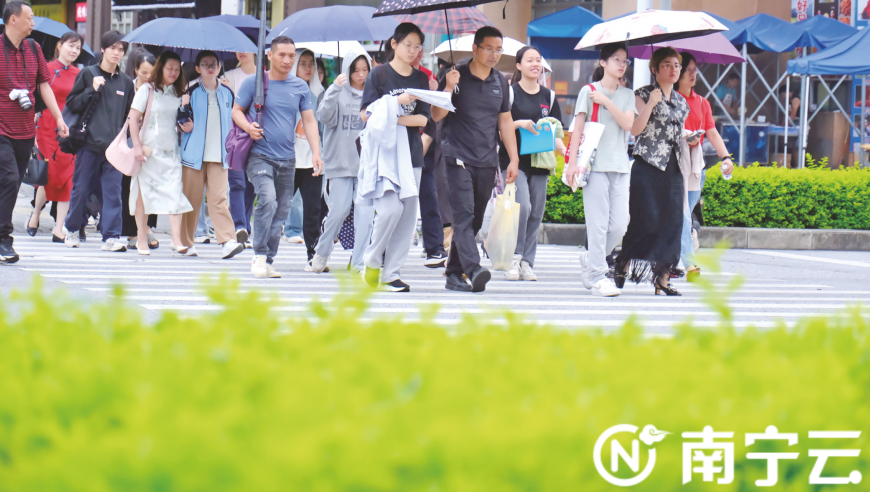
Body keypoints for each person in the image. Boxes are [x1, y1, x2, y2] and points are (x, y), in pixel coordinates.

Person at [432, 26, 520, 293]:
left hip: (487, 159)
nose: (494, 55)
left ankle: (454, 273)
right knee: (464, 214)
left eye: (498, 50)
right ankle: (473, 268)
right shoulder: (454, 75)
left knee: (475, 220)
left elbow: (504, 121)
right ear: (475, 48)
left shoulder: (500, 81)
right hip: (456, 155)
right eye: (489, 49)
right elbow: (436, 115)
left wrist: (512, 159)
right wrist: (448, 87)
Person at [232, 36, 322, 278]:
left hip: (288, 158)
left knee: (282, 210)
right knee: (268, 199)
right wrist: (249, 127)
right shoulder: (254, 83)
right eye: (282, 55)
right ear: (269, 55)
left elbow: (310, 121)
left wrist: (316, 152)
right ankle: (259, 255)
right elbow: (236, 111)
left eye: (291, 56)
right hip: (259, 155)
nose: (287, 60)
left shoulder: (300, 87)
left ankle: (268, 258)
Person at [359, 22, 431, 292]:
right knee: (390, 210)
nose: (413, 51)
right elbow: (365, 114)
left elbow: (423, 118)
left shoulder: (422, 78)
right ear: (394, 44)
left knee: (408, 216)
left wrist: (394, 117)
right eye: (407, 45)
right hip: (384, 155)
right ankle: (372, 258)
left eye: (417, 46)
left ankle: (392, 274)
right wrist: (397, 104)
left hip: (411, 155)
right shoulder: (379, 75)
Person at [615, 47, 690, 296]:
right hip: (647, 165)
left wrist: (690, 138)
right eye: (667, 65)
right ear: (654, 69)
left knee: (673, 223)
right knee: (645, 220)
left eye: (677, 65)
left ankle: (663, 279)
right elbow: (635, 130)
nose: (673, 70)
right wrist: (651, 104)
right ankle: (624, 260)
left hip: (673, 166)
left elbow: (675, 133)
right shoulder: (641, 95)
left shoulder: (681, 101)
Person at [0, 1, 69, 263]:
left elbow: (44, 85)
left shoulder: (34, 47)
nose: (33, 22)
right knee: (8, 178)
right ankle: (5, 239)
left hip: (26, 131)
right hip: (1, 129)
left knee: (12, 183)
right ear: (13, 20)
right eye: (29, 18)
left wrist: (59, 117)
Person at [565, 45, 637, 296]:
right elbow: (578, 128)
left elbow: (628, 124)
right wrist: (572, 162)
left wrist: (607, 101)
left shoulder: (628, 94)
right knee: (597, 224)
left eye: (625, 61)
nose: (621, 65)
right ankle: (597, 275)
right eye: (616, 60)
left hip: (619, 165)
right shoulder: (588, 90)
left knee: (620, 225)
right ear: (603, 63)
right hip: (593, 166)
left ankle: (591, 259)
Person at [62, 30, 134, 252]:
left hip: (114, 149)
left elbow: (128, 117)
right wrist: (91, 91)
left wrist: (125, 141)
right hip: (88, 144)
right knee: (81, 189)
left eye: (121, 49)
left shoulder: (126, 82)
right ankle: (72, 229)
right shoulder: (88, 74)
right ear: (103, 49)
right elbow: (72, 104)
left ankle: (111, 236)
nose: (116, 52)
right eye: (112, 48)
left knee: (113, 193)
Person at [500, 45, 567, 282]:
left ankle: (528, 262)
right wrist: (519, 123)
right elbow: (499, 127)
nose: (535, 64)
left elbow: (557, 131)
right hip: (513, 160)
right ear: (518, 65)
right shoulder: (509, 93)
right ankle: (515, 257)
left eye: (538, 60)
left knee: (537, 211)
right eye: (529, 60)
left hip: (541, 159)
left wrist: (567, 154)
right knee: (523, 207)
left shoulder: (548, 96)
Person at [309, 51, 374, 273]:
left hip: (366, 167)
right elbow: (324, 118)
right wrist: (335, 89)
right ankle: (321, 253)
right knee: (338, 211)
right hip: (339, 164)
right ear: (347, 70)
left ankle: (357, 263)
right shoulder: (336, 91)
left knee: (365, 217)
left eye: (365, 70)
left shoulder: (373, 94)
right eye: (356, 70)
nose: (361, 74)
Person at [178, 50, 245, 260]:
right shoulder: (190, 91)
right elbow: (179, 120)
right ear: (197, 68)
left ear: (219, 67)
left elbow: (235, 120)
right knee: (191, 200)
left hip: (219, 155)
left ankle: (227, 241)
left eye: (213, 64)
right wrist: (183, 115)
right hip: (193, 156)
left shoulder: (228, 92)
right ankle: (186, 242)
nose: (210, 67)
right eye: (205, 64)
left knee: (219, 199)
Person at [127, 51, 193, 255]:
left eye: (177, 69)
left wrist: (186, 116)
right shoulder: (147, 90)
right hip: (148, 150)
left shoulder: (179, 93)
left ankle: (176, 240)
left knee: (175, 192)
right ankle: (141, 238)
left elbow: (185, 126)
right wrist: (137, 146)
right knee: (143, 196)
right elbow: (133, 119)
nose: (173, 72)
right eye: (169, 68)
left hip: (171, 150)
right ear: (161, 68)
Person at [675, 52, 733, 280]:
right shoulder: (670, 99)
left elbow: (712, 132)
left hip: (697, 164)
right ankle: (689, 263)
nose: (693, 74)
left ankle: (686, 241)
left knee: (685, 212)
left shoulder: (702, 102)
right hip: (675, 164)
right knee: (682, 213)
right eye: (688, 70)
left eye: (694, 69)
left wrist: (726, 157)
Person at [26, 32, 82, 243]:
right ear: (60, 45)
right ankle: (36, 213)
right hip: (47, 128)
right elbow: (34, 100)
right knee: (48, 177)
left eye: (77, 48)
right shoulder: (46, 70)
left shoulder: (80, 74)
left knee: (68, 178)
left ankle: (59, 229)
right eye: (71, 46)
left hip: (68, 131)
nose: (74, 51)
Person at [286, 48, 324, 266]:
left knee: (313, 209)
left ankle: (313, 255)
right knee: (279, 206)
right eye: (303, 63)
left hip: (313, 160)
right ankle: (264, 252)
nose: (309, 68)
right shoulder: (285, 91)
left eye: (312, 63)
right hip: (288, 160)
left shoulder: (322, 94)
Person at [121, 50, 159, 250]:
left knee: (151, 185)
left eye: (151, 73)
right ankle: (131, 231)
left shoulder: (158, 90)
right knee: (129, 186)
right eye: (143, 72)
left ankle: (148, 227)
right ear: (136, 69)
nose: (147, 77)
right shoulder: (129, 87)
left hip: (152, 144)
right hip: (130, 143)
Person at [224, 51, 257, 246]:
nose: (242, 52)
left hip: (255, 138)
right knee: (237, 183)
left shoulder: (264, 77)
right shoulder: (228, 76)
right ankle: (239, 227)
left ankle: (245, 226)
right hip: (234, 138)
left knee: (250, 185)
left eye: (246, 48)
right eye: (238, 48)